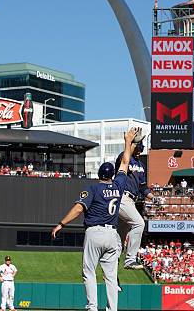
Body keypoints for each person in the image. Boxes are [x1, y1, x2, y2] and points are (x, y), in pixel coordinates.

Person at [51, 127, 138, 311]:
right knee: (111, 277)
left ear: (99, 175)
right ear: (111, 175)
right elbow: (124, 162)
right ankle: (112, 309)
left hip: (95, 232)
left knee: (89, 273)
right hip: (112, 235)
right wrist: (128, 142)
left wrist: (61, 224)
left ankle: (92, 307)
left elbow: (78, 208)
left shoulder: (93, 189)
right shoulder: (119, 185)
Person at [114, 130, 155, 269]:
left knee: (120, 236)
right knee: (139, 223)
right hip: (122, 197)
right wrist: (130, 142)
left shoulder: (141, 166)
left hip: (131, 200)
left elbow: (143, 188)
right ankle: (130, 259)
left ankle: (113, 262)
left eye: (140, 147)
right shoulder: (124, 158)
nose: (139, 150)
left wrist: (153, 198)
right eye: (137, 146)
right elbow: (125, 157)